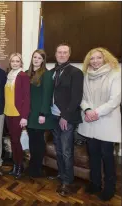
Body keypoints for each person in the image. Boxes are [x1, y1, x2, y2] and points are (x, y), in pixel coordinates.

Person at [78, 48, 121, 201]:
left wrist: (95, 112)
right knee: (93, 155)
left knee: (107, 157)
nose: (95, 61)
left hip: (106, 122)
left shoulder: (115, 73)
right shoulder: (86, 75)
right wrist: (88, 109)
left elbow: (115, 100)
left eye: (98, 58)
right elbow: (81, 97)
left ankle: (109, 188)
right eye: (92, 58)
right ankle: (95, 183)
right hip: (90, 121)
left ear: (105, 59)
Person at [48, 43, 83, 197]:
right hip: (53, 117)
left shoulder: (76, 72)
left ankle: (68, 181)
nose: (62, 55)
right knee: (59, 149)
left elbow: (76, 97)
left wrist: (65, 116)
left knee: (67, 151)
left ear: (69, 55)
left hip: (66, 118)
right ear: (55, 54)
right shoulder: (53, 71)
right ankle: (61, 174)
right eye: (59, 52)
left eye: (65, 52)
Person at [26, 49, 55, 178]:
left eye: (39, 58)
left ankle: (36, 169)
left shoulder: (46, 74)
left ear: (43, 60)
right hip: (30, 114)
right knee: (32, 142)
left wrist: (43, 114)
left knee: (38, 143)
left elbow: (47, 95)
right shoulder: (28, 74)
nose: (36, 60)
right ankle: (32, 166)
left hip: (40, 114)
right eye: (34, 57)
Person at [4, 53, 30, 179]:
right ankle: (15, 165)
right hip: (8, 112)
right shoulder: (9, 75)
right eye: (13, 61)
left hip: (18, 114)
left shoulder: (23, 76)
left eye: (17, 61)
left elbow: (27, 97)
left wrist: (24, 117)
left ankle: (19, 166)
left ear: (21, 63)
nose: (15, 63)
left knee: (16, 141)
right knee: (13, 141)